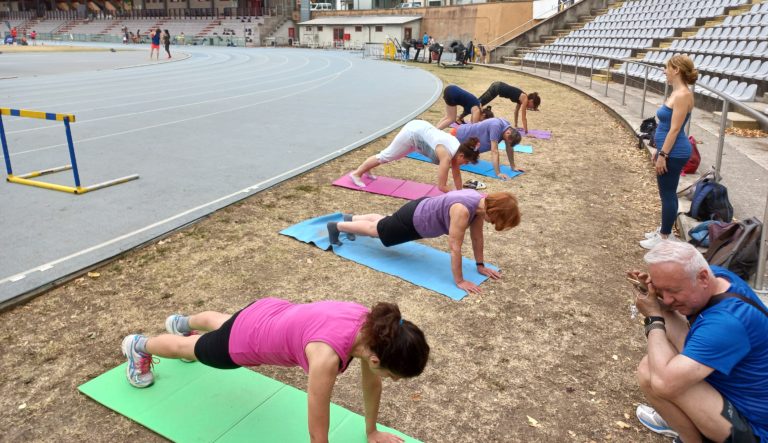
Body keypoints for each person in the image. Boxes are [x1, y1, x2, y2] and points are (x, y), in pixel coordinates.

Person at [121, 298, 429, 443]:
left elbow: (371, 384)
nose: (387, 380)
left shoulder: (374, 327)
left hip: (267, 311)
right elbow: (317, 430)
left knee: (226, 322)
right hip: (246, 341)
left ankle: (182, 322)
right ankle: (139, 346)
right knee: (189, 349)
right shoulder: (326, 358)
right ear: (376, 361)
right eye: (392, 376)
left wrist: (372, 431)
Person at [628, 240, 768, 443]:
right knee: (652, 367)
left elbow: (664, 383)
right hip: (734, 392)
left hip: (756, 431)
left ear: (702, 277)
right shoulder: (717, 276)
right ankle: (687, 430)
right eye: (661, 290)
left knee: (654, 374)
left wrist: (653, 317)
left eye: (673, 291)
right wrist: (658, 296)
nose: (667, 299)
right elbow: (691, 327)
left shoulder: (728, 323)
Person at [328, 190, 521, 294]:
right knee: (376, 231)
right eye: (497, 221)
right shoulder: (462, 210)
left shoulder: (480, 204)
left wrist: (480, 265)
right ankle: (337, 227)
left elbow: (477, 237)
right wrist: (460, 281)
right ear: (494, 212)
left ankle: (351, 218)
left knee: (385, 222)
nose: (494, 224)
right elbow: (455, 247)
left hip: (419, 211)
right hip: (414, 220)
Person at [640, 55, 697, 249]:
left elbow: (674, 129)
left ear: (676, 70)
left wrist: (663, 155)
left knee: (668, 194)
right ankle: (664, 230)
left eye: (667, 67)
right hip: (668, 150)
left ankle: (665, 237)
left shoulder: (682, 95)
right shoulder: (677, 93)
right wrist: (659, 150)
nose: (664, 71)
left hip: (674, 152)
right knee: (666, 193)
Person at [349, 120, 480, 193]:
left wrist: (461, 192)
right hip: (412, 134)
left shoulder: (457, 149)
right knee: (386, 156)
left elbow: (457, 175)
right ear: (462, 155)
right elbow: (441, 186)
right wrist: (458, 196)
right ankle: (357, 173)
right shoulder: (446, 155)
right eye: (466, 162)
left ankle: (367, 169)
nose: (465, 164)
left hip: (420, 132)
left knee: (387, 156)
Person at [453, 117, 523, 180]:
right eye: (507, 140)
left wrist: (513, 166)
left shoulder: (508, 128)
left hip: (466, 137)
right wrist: (498, 173)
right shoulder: (496, 126)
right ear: (508, 133)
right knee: (451, 160)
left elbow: (509, 148)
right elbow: (494, 151)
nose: (507, 142)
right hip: (459, 134)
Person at [476, 82, 541, 135]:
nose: (531, 107)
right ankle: (474, 120)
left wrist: (516, 125)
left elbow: (516, 111)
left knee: (479, 102)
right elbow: (524, 117)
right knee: (479, 103)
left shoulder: (522, 98)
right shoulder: (525, 99)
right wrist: (526, 131)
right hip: (497, 88)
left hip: (497, 87)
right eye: (533, 106)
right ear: (531, 101)